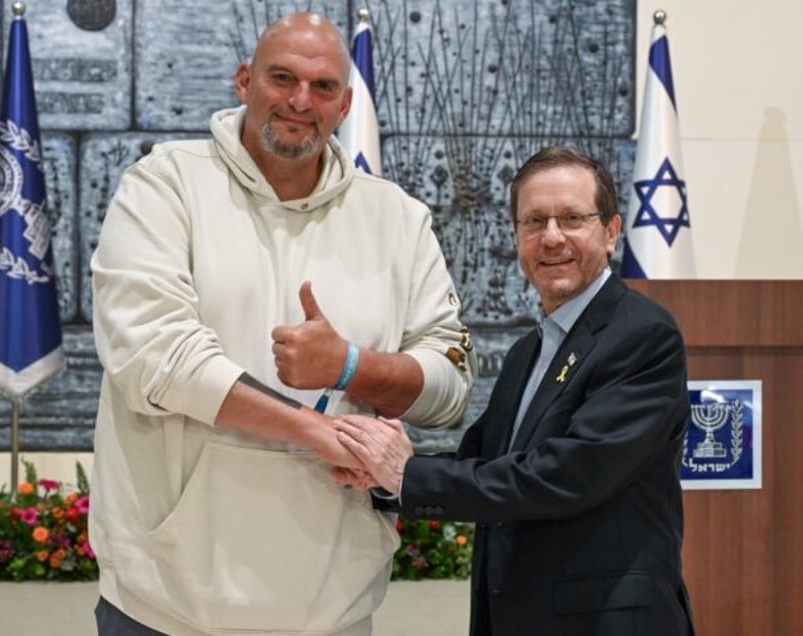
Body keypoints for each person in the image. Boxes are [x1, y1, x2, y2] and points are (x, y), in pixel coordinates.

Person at [88, 12, 475, 636]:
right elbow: (155, 357)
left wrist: (352, 366)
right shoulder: (164, 186)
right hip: (164, 603)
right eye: (283, 78)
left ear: (346, 104)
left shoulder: (398, 219)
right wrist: (313, 430)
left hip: (332, 608)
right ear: (245, 81)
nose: (301, 101)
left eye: (323, 88)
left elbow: (450, 383)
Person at [336, 146, 696, 635]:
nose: (551, 237)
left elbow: (567, 473)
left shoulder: (643, 335)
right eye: (534, 221)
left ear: (610, 232)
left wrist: (409, 476)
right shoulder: (529, 349)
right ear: (517, 237)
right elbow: (482, 459)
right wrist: (378, 471)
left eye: (572, 218)